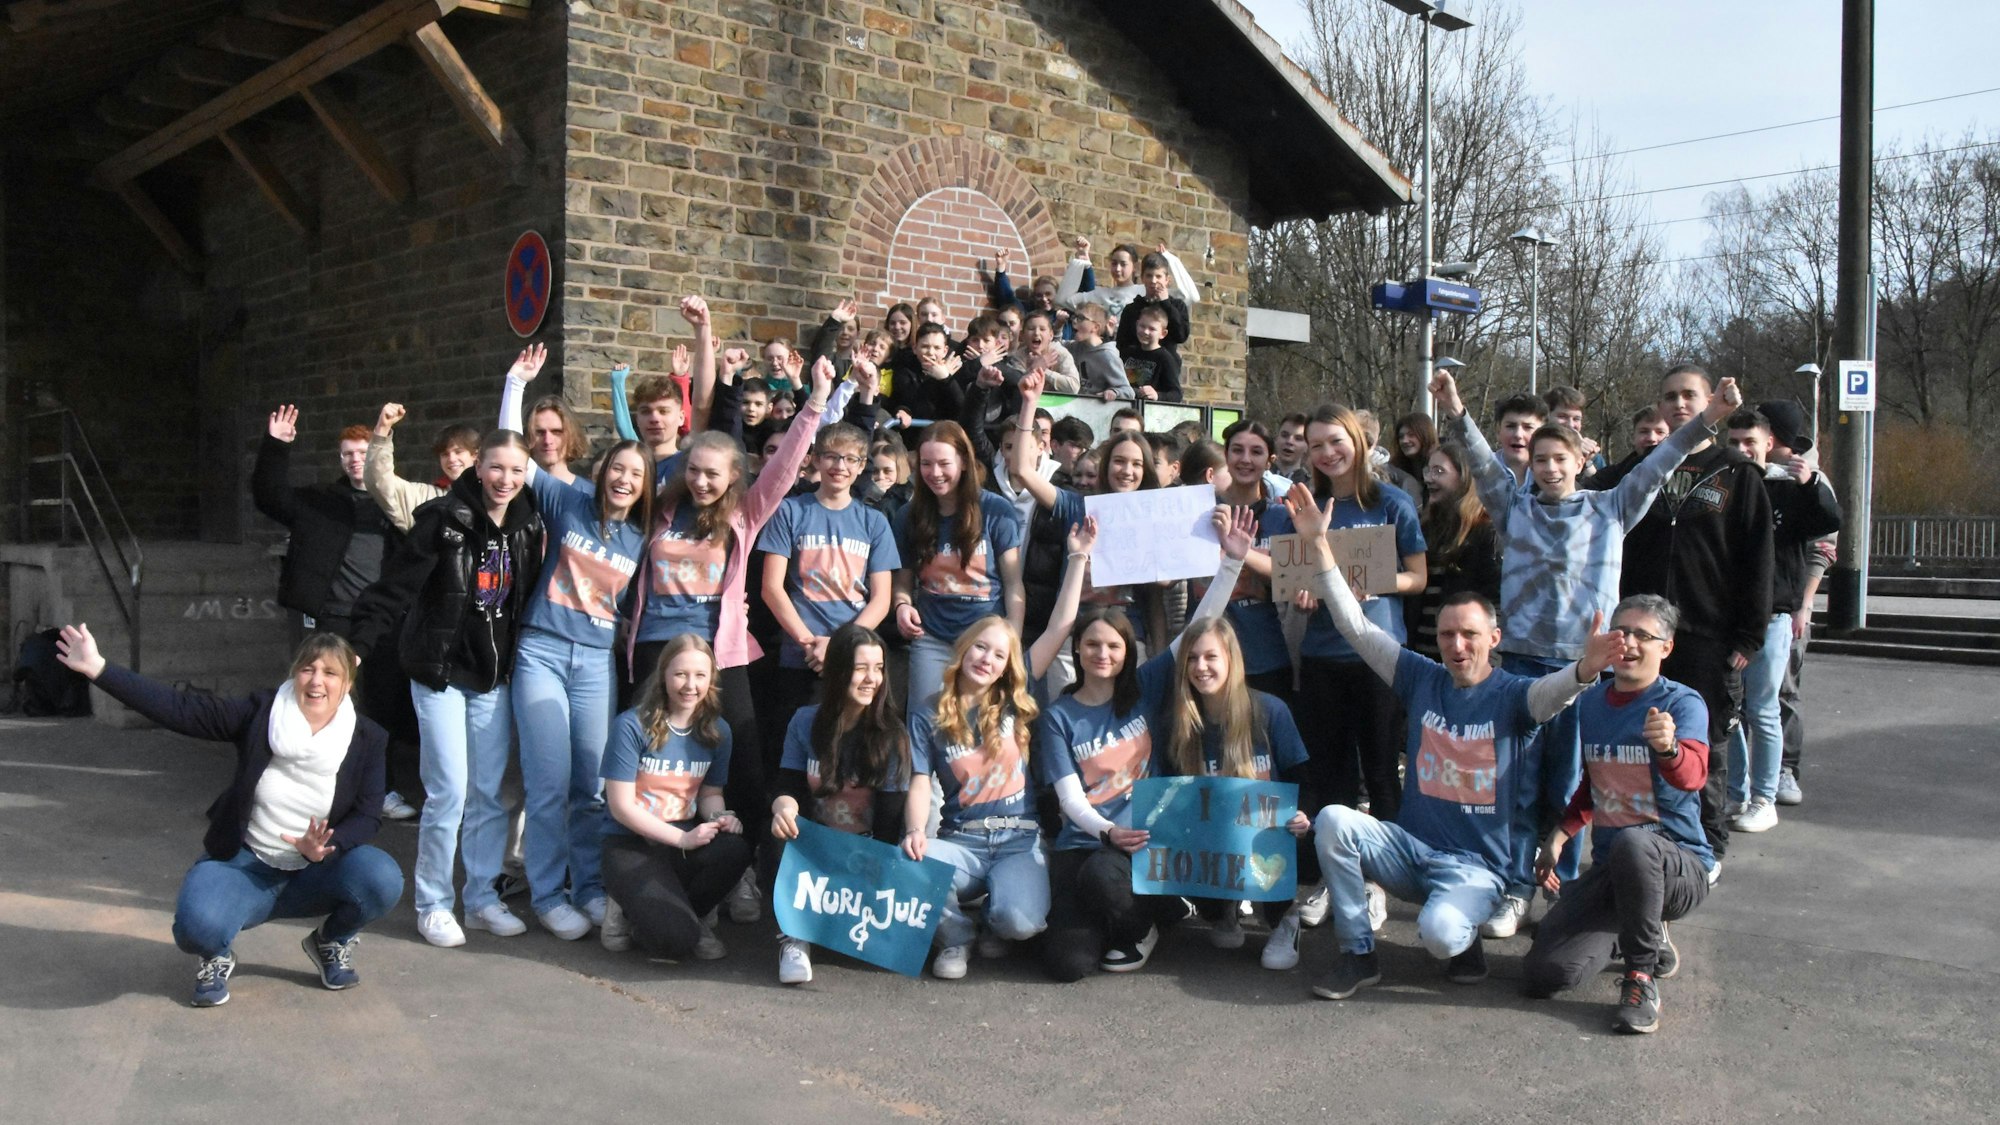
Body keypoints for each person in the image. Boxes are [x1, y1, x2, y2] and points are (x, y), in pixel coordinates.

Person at [1431, 364, 1740, 938]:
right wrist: (1455, 407)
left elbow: (1661, 459)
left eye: (1559, 459)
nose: (1548, 468)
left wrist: (1711, 418)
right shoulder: (1513, 507)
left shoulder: (1610, 508)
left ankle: (1564, 889)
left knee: (1574, 785)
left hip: (1584, 669)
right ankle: (1516, 884)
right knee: (1518, 783)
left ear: (1579, 462)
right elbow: (1480, 458)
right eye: (1540, 459)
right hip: (1522, 667)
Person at [1281, 484, 1619, 1000]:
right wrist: (1320, 547)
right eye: (1446, 636)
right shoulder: (1420, 678)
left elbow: (1554, 694)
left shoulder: (1514, 698)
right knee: (1333, 820)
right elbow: (1354, 626)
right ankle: (1358, 953)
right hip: (1412, 851)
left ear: (1494, 639)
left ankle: (1464, 945)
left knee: (1440, 935)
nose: (1457, 646)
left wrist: (1586, 669)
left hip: (1477, 870)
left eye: (1469, 635)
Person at [52, 625, 403, 1008]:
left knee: (381, 877)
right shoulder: (261, 713)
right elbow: (181, 709)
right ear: (295, 673)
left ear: (347, 681)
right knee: (195, 928)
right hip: (246, 865)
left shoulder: (369, 737)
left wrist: (325, 847)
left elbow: (369, 814)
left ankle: (330, 941)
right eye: (308, 669)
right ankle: (216, 955)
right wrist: (101, 669)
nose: (317, 680)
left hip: (315, 870)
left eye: (330, 672)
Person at [1038, 512, 1255, 979]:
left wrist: (1232, 564)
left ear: (1127, 652)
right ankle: (1133, 917)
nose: (1103, 654)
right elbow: (1069, 799)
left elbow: (1200, 626)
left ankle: (1150, 919)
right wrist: (1107, 832)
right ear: (1077, 650)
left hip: (1153, 837)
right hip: (1088, 842)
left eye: (1114, 646)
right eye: (1092, 645)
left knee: (1105, 879)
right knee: (1068, 964)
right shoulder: (1058, 715)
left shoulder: (1144, 687)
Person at [349, 429, 543, 949]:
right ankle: (433, 903)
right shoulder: (442, 519)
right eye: (496, 468)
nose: (506, 480)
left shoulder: (528, 526)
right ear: (477, 468)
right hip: (438, 673)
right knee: (449, 791)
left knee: (488, 794)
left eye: (517, 470)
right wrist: (357, 647)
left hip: (491, 679)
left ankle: (481, 898)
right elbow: (394, 589)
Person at [493, 343, 653, 941]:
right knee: (548, 781)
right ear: (603, 467)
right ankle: (547, 893)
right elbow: (513, 452)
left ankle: (588, 887)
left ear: (643, 487)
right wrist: (515, 383)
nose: (624, 479)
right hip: (540, 650)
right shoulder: (568, 501)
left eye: (636, 475)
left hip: (593, 662)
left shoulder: (643, 536)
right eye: (618, 468)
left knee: (591, 784)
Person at [1592, 364, 1774, 873]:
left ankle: (1707, 845)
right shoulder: (1642, 468)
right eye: (1669, 397)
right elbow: (1589, 495)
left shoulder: (1736, 472)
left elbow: (1758, 559)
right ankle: (1640, 840)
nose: (1679, 405)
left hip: (1706, 634)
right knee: (1636, 739)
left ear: (1710, 399)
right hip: (1640, 636)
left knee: (1703, 744)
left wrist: (1748, 636)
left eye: (1689, 395)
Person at [1522, 595, 1714, 1035]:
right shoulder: (1591, 704)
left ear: (1666, 647)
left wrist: (1668, 748)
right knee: (1543, 975)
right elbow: (1594, 784)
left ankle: (1641, 976)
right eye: (1620, 632)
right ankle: (1637, 927)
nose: (1627, 642)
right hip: (1616, 870)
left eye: (1643, 635)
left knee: (1634, 840)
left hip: (1678, 866)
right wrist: (1560, 835)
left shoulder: (1683, 704)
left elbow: (1693, 776)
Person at [1266, 404, 1426, 823]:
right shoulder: (1303, 507)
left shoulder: (1393, 502)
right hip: (1322, 656)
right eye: (1315, 444)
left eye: (1336, 441)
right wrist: (1302, 592)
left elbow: (1418, 577)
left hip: (1380, 656)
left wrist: (1372, 582)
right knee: (1331, 773)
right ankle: (1335, 872)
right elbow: (1290, 578)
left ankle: (1386, 871)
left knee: (1381, 770)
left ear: (1357, 440)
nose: (1327, 452)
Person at [768, 624, 916, 983]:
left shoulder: (892, 734)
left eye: (879, 668)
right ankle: (795, 938)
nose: (872, 679)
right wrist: (783, 808)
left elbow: (888, 824)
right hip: (813, 847)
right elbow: (786, 787)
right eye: (861, 668)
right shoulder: (805, 721)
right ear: (837, 671)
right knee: (777, 830)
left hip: (864, 850)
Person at [597, 634, 754, 961]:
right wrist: (683, 839)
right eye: (681, 674)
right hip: (631, 843)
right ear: (664, 675)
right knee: (674, 942)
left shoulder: (718, 731)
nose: (690, 685)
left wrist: (719, 819)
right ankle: (628, 906)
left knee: (735, 848)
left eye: (700, 675)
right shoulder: (632, 725)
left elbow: (711, 794)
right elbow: (621, 807)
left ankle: (688, 915)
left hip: (682, 839)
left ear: (711, 679)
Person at [1721, 406, 1840, 834]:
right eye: (1733, 442)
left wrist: (1809, 484)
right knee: (1730, 712)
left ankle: (1764, 797)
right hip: (1728, 617)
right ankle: (1737, 792)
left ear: (1768, 443)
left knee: (1763, 708)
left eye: (1749, 442)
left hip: (1773, 615)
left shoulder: (1788, 487)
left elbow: (1828, 523)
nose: (1740, 450)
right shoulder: (1723, 484)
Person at [1010, 371, 1169, 652]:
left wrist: (1158, 651)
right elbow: (1023, 470)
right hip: (1071, 640)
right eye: (1119, 461)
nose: (1127, 471)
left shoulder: (1153, 518)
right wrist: (1029, 404)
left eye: (1136, 464)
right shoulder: (1078, 506)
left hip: (1129, 641)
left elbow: (1154, 599)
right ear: (1106, 466)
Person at [892, 420, 1026, 707]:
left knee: (985, 724)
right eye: (926, 464)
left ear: (964, 462)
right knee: (925, 722)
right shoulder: (908, 515)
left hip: (985, 640)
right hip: (932, 638)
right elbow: (902, 582)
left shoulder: (995, 510)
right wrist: (902, 606)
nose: (934, 473)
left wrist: (1010, 643)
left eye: (944, 463)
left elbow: (1014, 584)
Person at [252, 407, 400, 641]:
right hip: (334, 615)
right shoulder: (320, 501)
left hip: (383, 616)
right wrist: (276, 446)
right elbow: (270, 497)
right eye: (348, 454)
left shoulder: (397, 501)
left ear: (375, 454)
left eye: (363, 452)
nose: (355, 460)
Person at [1408, 441, 1499, 658]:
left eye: (1439, 471)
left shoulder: (1485, 531)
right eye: (1428, 470)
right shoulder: (1424, 527)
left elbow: (1495, 599)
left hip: (1463, 655)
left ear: (1464, 477)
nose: (1429, 478)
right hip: (1421, 654)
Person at [362, 409, 482, 529]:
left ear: (475, 455)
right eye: (445, 454)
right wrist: (382, 430)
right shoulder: (425, 496)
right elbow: (379, 480)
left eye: (458, 452)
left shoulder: (492, 495)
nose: (451, 459)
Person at [1118, 304, 1183, 402]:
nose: (1145, 332)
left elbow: (1176, 394)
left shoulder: (1165, 358)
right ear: (1137, 325)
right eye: (1142, 326)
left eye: (1152, 329)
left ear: (1163, 333)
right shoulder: (1127, 353)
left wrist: (1157, 395)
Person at [1067, 304, 1132, 401]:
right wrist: (1058, 327)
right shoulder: (1075, 347)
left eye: (1080, 318)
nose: (1074, 321)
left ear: (1096, 327)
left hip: (1096, 408)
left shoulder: (1107, 355)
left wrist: (1114, 392)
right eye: (1074, 317)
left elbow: (1128, 391)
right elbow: (1054, 346)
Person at [1543, 385, 1605, 481]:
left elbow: (1601, 491)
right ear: (1546, 417)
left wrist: (1585, 461)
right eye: (1562, 416)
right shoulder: (1528, 452)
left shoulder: (1594, 458)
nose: (1570, 425)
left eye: (1576, 419)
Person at [1390, 412, 1436, 488]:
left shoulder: (1438, 467)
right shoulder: (1394, 470)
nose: (1404, 441)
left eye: (1411, 435)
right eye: (1401, 437)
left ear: (1425, 435)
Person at [1273, 412, 1311, 483]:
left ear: (1307, 446)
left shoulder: (1311, 487)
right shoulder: (1258, 478)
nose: (1289, 441)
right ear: (1276, 439)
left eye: (1298, 438)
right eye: (1284, 435)